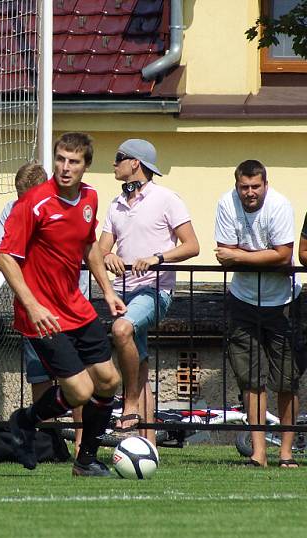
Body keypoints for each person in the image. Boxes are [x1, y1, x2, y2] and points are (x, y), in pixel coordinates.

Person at [0, 132, 125, 477]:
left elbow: (88, 246)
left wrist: (108, 291)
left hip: (75, 306)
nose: (65, 168)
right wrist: (33, 306)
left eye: (74, 161)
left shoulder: (90, 198)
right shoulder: (34, 203)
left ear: (86, 166)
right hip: (41, 312)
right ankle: (26, 420)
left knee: (109, 381)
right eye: (60, 159)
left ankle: (85, 462)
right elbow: (6, 257)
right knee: (81, 390)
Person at [98, 139, 199, 444]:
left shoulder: (167, 198)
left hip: (155, 291)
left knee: (122, 329)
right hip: (122, 291)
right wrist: (108, 256)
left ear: (135, 163)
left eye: (119, 158)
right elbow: (100, 249)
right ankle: (148, 443)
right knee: (139, 362)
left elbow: (192, 245)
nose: (113, 164)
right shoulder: (115, 204)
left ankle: (128, 405)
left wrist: (158, 258)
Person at [215, 159, 303, 468]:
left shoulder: (279, 205)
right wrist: (263, 257)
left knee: (287, 382)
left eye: (255, 186)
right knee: (250, 381)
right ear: (236, 185)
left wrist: (241, 255)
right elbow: (222, 253)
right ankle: (259, 452)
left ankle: (286, 453)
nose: (250, 193)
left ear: (266, 184)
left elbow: (283, 255)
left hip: (284, 303)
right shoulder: (226, 203)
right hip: (242, 301)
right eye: (244, 187)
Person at [0, 162, 51, 403]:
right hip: (30, 304)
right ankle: (46, 439)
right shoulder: (13, 209)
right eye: (20, 198)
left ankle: (80, 441)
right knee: (39, 376)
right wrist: (11, 253)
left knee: (75, 378)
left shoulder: (63, 209)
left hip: (67, 305)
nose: (25, 205)